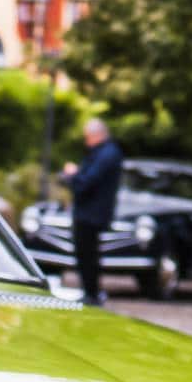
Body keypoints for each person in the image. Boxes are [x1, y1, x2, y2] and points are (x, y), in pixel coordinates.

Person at [59, 117, 123, 305]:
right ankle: (90, 292)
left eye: (87, 137)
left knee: (87, 254)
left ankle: (92, 294)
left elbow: (87, 182)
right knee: (86, 254)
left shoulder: (106, 154)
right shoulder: (104, 153)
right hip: (90, 212)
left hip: (92, 214)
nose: (86, 142)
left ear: (96, 135)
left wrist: (72, 175)